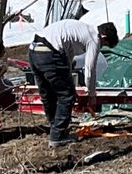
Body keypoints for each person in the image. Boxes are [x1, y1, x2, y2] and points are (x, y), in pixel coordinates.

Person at [27, 17, 118, 146]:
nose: (101, 47)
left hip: (34, 51)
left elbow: (66, 58)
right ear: (103, 37)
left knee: (48, 94)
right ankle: (57, 136)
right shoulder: (94, 39)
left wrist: (68, 80)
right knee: (67, 95)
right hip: (50, 53)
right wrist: (91, 95)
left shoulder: (80, 30)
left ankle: (56, 130)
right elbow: (90, 69)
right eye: (104, 44)